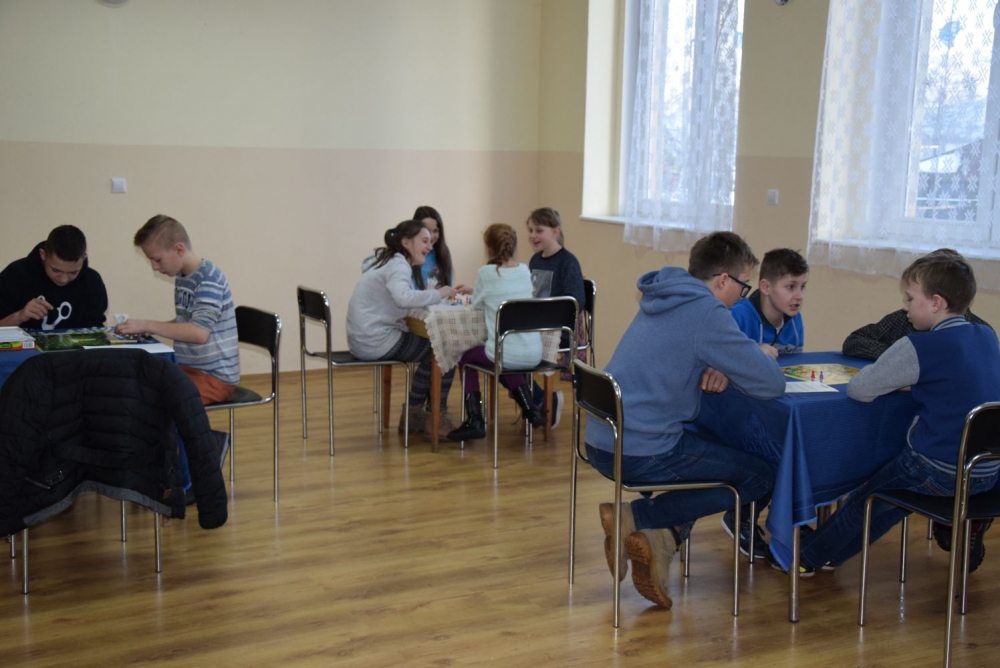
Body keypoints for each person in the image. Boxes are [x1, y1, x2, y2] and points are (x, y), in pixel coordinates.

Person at [585, 231, 785, 608]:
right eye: (742, 287)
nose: (741, 297)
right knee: (760, 474)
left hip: (602, 438)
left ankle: (663, 538)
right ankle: (636, 516)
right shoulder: (707, 312)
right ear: (723, 279)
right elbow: (771, 383)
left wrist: (720, 363)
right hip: (641, 450)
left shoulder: (664, 295)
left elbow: (682, 349)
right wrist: (759, 352)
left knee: (713, 453)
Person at [791, 252, 1000, 575]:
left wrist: (904, 380)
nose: (905, 307)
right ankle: (830, 555)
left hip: (940, 468)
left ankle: (808, 556)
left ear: (936, 303)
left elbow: (860, 389)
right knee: (891, 499)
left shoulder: (918, 345)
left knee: (867, 497)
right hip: (987, 470)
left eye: (910, 299)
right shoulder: (986, 335)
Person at [347, 220, 461, 439]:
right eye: (424, 241)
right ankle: (435, 418)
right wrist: (439, 293)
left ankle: (414, 414)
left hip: (363, 338)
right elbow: (403, 298)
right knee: (447, 349)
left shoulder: (385, 260)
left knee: (436, 348)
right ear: (406, 243)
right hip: (375, 341)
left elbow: (398, 299)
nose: (429, 247)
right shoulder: (399, 264)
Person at [117, 215, 240, 405]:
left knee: (154, 400)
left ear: (179, 249)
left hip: (214, 378)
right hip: (188, 369)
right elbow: (186, 321)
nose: (154, 267)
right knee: (139, 383)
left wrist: (149, 324)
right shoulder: (184, 276)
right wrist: (150, 329)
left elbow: (199, 333)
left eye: (157, 259)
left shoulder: (208, 278)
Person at [447, 224, 545, 441]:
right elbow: (503, 292)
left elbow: (477, 306)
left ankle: (475, 419)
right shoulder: (524, 270)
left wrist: (475, 292)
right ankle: (531, 409)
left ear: (488, 248)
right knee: (507, 354)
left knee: (464, 356)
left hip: (506, 354)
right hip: (533, 352)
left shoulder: (485, 273)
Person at [842, 249, 993, 360]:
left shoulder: (981, 333)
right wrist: (898, 358)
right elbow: (854, 341)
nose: (907, 305)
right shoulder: (905, 318)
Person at [525, 207, 586, 428]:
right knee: (506, 350)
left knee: (515, 350)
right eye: (530, 230)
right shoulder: (535, 260)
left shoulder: (568, 262)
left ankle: (540, 401)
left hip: (560, 333)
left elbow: (576, 302)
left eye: (538, 230)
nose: (533, 235)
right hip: (537, 329)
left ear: (555, 232)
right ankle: (540, 399)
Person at [0, 225, 108, 330]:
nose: (63, 279)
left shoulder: (92, 282)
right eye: (56, 270)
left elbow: (96, 331)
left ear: (84, 259)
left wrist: (116, 333)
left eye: (73, 272)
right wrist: (19, 316)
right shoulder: (15, 275)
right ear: (43, 255)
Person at [729, 248, 807, 358]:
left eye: (802, 287)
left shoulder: (795, 320)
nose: (800, 296)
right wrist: (752, 352)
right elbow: (719, 357)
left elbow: (796, 364)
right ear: (766, 287)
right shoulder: (737, 316)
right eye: (791, 287)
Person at [411, 205, 454, 290]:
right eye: (426, 230)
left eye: (435, 231)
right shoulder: (407, 256)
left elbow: (449, 287)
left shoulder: (444, 252)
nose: (430, 236)